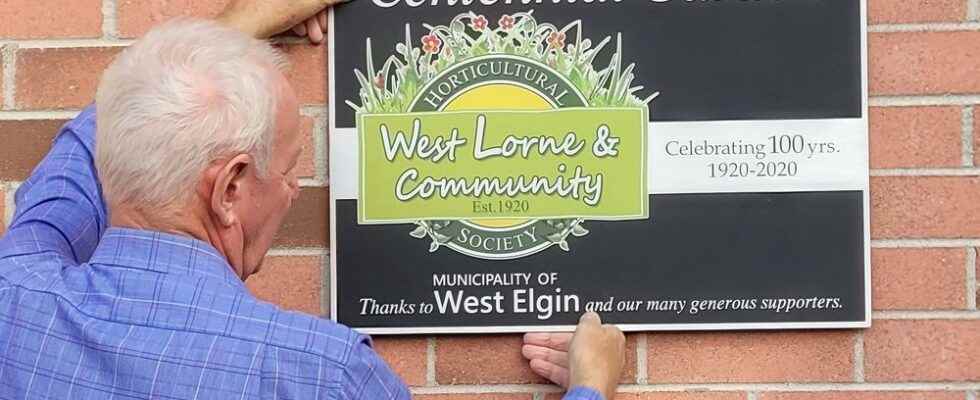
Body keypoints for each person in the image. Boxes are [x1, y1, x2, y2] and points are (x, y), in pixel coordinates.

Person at [0, 0, 627, 399]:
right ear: (229, 189)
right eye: (290, 165)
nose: (294, 187)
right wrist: (593, 387)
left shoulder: (13, 299)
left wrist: (242, 24)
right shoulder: (321, 374)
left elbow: (88, 147)